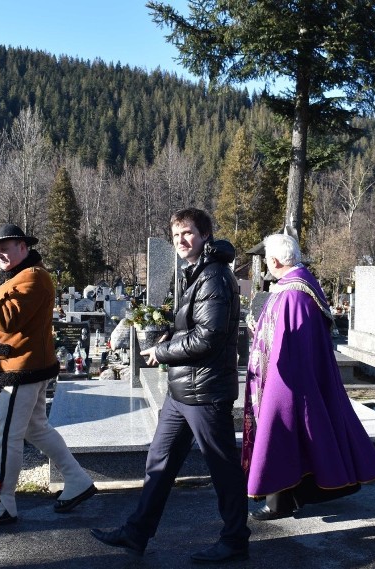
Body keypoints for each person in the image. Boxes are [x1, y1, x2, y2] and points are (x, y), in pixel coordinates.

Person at [90, 208, 250, 564]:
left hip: (205, 392)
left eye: (188, 233)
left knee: (222, 467)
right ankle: (137, 532)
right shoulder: (192, 272)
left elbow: (209, 337)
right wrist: (168, 334)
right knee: (159, 461)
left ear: (205, 235)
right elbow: (190, 327)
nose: (181, 240)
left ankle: (236, 539)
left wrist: (161, 352)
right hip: (183, 391)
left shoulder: (214, 277)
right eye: (176, 234)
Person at [0, 223, 96, 529]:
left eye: (7, 247)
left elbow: (6, 319)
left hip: (21, 370)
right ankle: (77, 480)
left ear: (24, 247)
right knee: (36, 429)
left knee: (4, 434)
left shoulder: (34, 278)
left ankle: (4, 502)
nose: (1, 254)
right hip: (19, 366)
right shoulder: (18, 277)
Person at [242, 233, 375, 520]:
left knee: (280, 434)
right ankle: (291, 496)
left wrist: (277, 389)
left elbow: (287, 346)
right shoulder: (299, 287)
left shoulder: (292, 295)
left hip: (287, 382)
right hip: (300, 378)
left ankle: (279, 501)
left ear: (274, 261)